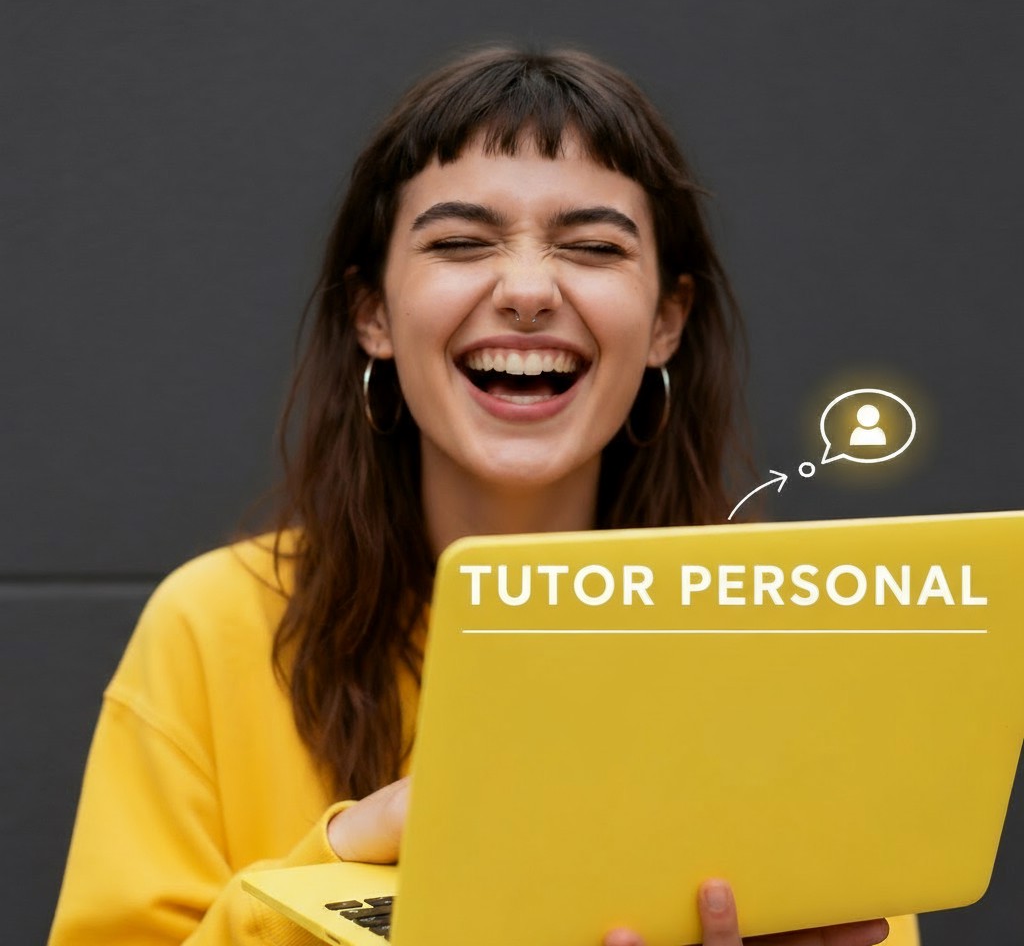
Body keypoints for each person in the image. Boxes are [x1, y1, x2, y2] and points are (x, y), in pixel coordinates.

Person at [48, 46, 916, 946]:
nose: (529, 292)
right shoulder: (209, 628)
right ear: (372, 314)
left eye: (593, 248)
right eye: (460, 244)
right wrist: (347, 856)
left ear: (666, 321)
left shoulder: (781, 645)